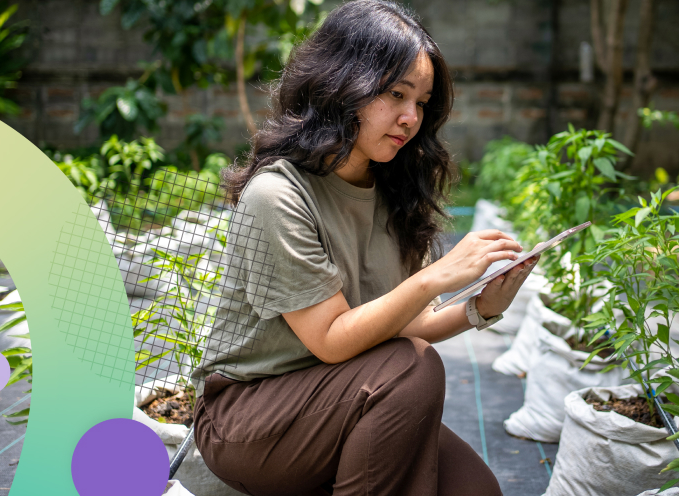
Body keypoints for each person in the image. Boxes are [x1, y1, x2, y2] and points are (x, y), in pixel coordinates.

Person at [190, 1, 539, 494]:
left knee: (476, 489)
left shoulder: (393, 188)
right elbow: (331, 340)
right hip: (250, 418)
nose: (410, 117)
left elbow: (402, 321)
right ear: (341, 84)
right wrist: (435, 278)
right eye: (396, 94)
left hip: (348, 395)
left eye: (421, 102)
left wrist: (481, 309)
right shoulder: (279, 194)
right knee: (411, 368)